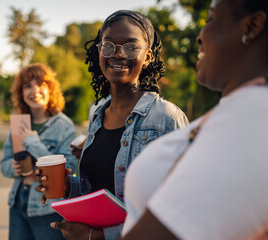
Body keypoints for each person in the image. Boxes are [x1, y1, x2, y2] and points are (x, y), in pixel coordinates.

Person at [121, 0, 268, 239]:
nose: (200, 36)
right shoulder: (238, 109)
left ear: (252, 26)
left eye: (211, 20)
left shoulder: (254, 117)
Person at [36, 10, 188, 240]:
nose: (118, 54)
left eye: (130, 47)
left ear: (147, 57)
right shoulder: (99, 114)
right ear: (99, 52)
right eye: (109, 46)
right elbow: (100, 191)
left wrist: (96, 236)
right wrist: (68, 187)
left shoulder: (166, 118)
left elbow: (175, 211)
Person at [0, 63, 77, 240]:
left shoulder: (64, 126)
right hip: (18, 202)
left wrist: (33, 142)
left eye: (41, 84)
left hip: (48, 207)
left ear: (51, 90)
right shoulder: (19, 123)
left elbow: (69, 168)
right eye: (28, 86)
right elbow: (3, 164)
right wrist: (13, 168)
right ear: (21, 93)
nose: (34, 90)